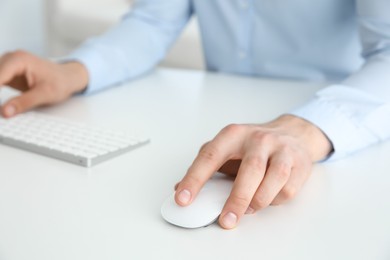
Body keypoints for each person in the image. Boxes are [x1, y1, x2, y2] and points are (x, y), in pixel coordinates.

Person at [0, 0, 389, 229]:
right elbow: (153, 21)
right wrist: (73, 71)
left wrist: (308, 128)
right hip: (210, 115)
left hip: (338, 129)